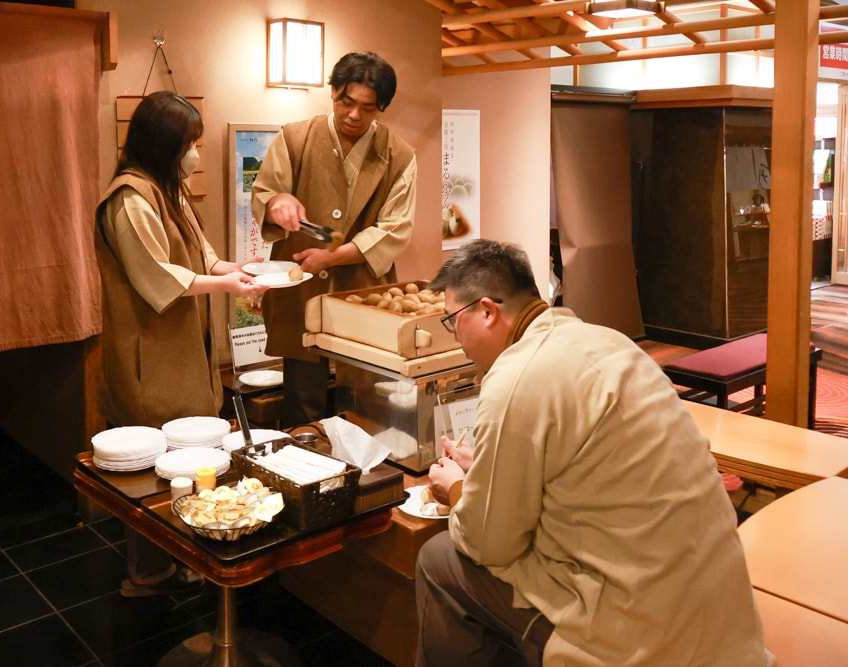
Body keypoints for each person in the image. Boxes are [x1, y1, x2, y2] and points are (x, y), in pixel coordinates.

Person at [415, 240, 774, 666]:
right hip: (723, 619)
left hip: (643, 638)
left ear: (488, 310)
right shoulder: (608, 342)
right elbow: (581, 465)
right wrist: (484, 469)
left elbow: (489, 544)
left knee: (439, 560)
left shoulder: (516, 376)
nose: (456, 339)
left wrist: (457, 489)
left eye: (452, 321)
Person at [94, 91, 268, 596]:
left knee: (194, 456)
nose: (197, 153)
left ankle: (191, 551)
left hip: (182, 351)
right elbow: (159, 277)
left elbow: (202, 255)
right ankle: (150, 572)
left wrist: (234, 270)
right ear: (165, 144)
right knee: (153, 459)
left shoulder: (169, 188)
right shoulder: (130, 198)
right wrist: (228, 285)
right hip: (149, 355)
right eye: (191, 143)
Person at [251, 51, 417, 428]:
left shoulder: (399, 155)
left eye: (367, 108)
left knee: (364, 402)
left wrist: (334, 257)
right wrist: (278, 202)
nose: (354, 115)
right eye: (346, 101)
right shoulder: (295, 137)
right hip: (299, 291)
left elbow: (395, 227)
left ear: (381, 108)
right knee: (302, 402)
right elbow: (266, 192)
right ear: (332, 92)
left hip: (363, 293)